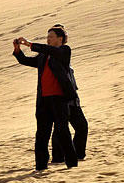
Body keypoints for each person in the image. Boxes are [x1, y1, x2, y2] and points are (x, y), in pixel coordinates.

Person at [13, 24, 79, 170]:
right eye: (47, 37)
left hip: (59, 99)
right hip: (43, 100)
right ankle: (41, 166)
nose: (48, 39)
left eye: (51, 37)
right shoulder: (43, 55)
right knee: (42, 134)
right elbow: (27, 61)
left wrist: (30, 44)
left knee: (63, 132)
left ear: (60, 39)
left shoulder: (64, 51)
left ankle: (72, 164)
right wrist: (18, 51)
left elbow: (51, 50)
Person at [51, 66, 88, 162]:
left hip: (73, 102)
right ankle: (58, 158)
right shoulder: (51, 62)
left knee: (82, 127)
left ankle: (77, 155)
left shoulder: (66, 63)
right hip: (60, 101)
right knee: (60, 129)